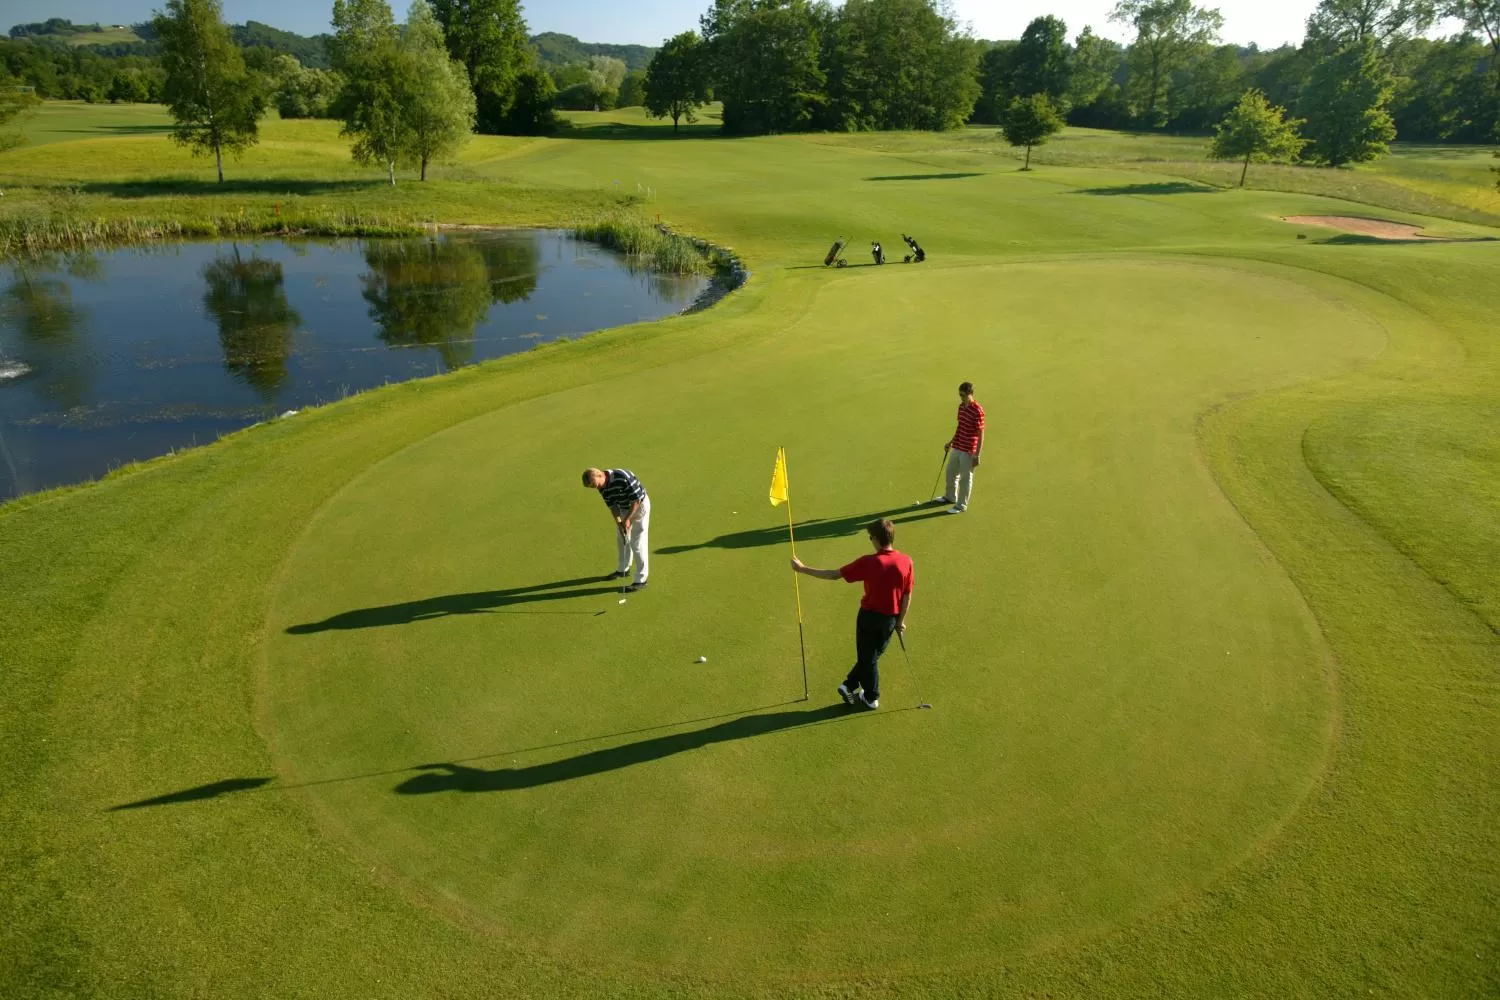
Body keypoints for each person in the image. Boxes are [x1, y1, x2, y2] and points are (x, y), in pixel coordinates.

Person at [791, 518, 914, 710]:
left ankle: (870, 696)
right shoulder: (906, 561)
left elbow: (834, 574)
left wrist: (802, 569)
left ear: (876, 539)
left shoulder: (869, 562)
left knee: (869, 658)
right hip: (890, 620)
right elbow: (907, 595)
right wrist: (900, 621)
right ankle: (850, 685)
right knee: (871, 656)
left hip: (868, 618)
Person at [582, 467, 650, 591]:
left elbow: (636, 500)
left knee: (637, 543)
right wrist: (619, 523)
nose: (596, 488)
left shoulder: (623, 477)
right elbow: (612, 506)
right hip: (623, 508)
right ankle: (623, 569)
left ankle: (641, 580)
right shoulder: (601, 486)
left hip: (639, 507)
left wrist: (627, 519)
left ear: (600, 476)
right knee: (622, 539)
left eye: (595, 485)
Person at [939, 381, 985, 514]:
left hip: (969, 449)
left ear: (971, 394)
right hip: (958, 446)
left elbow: (981, 434)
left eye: (963, 395)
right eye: (960, 395)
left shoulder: (978, 410)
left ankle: (961, 505)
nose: (961, 397)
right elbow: (960, 427)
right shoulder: (961, 407)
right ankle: (950, 497)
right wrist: (951, 442)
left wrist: (977, 455)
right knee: (950, 472)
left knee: (965, 478)